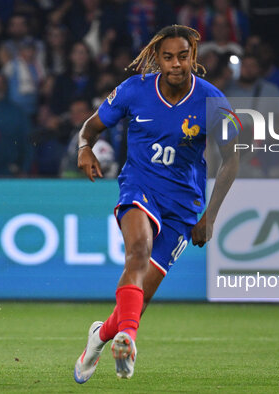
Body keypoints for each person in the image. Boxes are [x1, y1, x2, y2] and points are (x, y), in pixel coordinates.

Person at [73, 25, 238, 382]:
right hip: (139, 186)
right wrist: (84, 148)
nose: (176, 64)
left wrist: (209, 216)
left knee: (138, 298)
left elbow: (233, 159)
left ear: (192, 56)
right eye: (168, 57)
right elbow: (90, 127)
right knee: (137, 252)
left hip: (182, 204)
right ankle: (127, 343)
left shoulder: (213, 102)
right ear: (157, 58)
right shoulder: (134, 90)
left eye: (183, 56)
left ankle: (102, 337)